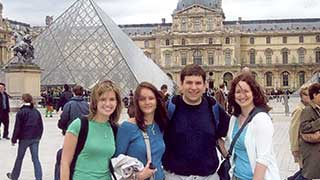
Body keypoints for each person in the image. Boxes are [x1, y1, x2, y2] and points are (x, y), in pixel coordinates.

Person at [162, 64, 230, 180]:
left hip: (208, 177)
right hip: (175, 176)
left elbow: (230, 133)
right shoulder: (170, 107)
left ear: (205, 86)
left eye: (198, 83)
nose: (193, 87)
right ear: (181, 85)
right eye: (189, 82)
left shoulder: (213, 107)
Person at [60, 80, 122, 180]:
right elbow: (65, 162)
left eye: (112, 99)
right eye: (102, 99)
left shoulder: (115, 129)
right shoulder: (79, 125)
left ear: (117, 102)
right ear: (95, 101)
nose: (107, 103)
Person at [225, 72, 280, 180]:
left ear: (254, 93)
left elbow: (263, 160)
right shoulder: (234, 119)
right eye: (238, 92)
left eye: (246, 91)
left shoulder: (261, 119)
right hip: (237, 176)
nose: (242, 96)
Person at [116, 82, 168, 180]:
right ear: (137, 102)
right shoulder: (127, 127)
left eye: (151, 98)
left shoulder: (159, 126)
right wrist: (138, 176)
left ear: (157, 101)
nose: (147, 102)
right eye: (142, 99)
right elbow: (116, 163)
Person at [7, 93, 43, 180]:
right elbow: (41, 125)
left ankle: (14, 176)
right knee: (35, 159)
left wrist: (14, 139)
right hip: (35, 137)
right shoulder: (36, 111)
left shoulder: (21, 112)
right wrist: (39, 136)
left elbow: (17, 127)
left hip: (24, 138)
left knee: (19, 158)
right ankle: (39, 177)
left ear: (22, 100)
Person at [287, 85, 311, 180]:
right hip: (302, 147)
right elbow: (293, 130)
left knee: (305, 171)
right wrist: (294, 148)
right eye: (306, 94)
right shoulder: (299, 110)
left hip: (309, 148)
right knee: (307, 173)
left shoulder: (308, 108)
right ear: (301, 96)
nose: (309, 97)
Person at [299, 82, 320, 180]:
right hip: (312, 151)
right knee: (307, 175)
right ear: (315, 95)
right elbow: (304, 128)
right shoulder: (307, 110)